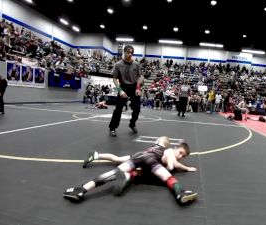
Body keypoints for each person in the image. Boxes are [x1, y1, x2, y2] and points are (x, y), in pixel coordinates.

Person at [63, 138, 198, 205]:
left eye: (182, 156)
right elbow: (171, 165)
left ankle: (81, 190)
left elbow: (171, 156)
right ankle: (179, 193)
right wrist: (174, 166)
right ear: (175, 148)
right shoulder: (169, 151)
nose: (180, 156)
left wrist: (184, 167)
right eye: (180, 153)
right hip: (151, 161)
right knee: (168, 178)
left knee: (114, 173)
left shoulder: (161, 146)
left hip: (138, 157)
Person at [108, 45, 143, 136]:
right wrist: (120, 90)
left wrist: (138, 87)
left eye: (131, 53)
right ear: (124, 52)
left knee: (137, 109)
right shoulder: (118, 64)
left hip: (134, 86)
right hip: (123, 87)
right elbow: (115, 79)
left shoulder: (136, 64)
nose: (130, 54)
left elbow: (140, 77)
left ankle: (132, 124)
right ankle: (112, 127)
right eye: (128, 52)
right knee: (118, 109)